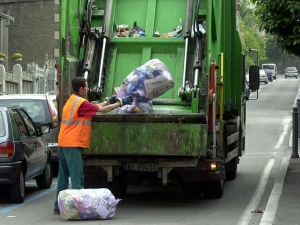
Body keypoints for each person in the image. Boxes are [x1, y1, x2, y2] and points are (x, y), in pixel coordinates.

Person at [53, 77, 132, 214]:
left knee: (63, 177)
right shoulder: (81, 103)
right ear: (81, 89)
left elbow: (96, 107)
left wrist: (109, 100)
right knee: (77, 177)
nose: (88, 89)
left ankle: (57, 207)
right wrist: (120, 102)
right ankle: (78, 208)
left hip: (64, 143)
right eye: (86, 87)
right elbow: (104, 110)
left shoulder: (73, 100)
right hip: (72, 144)